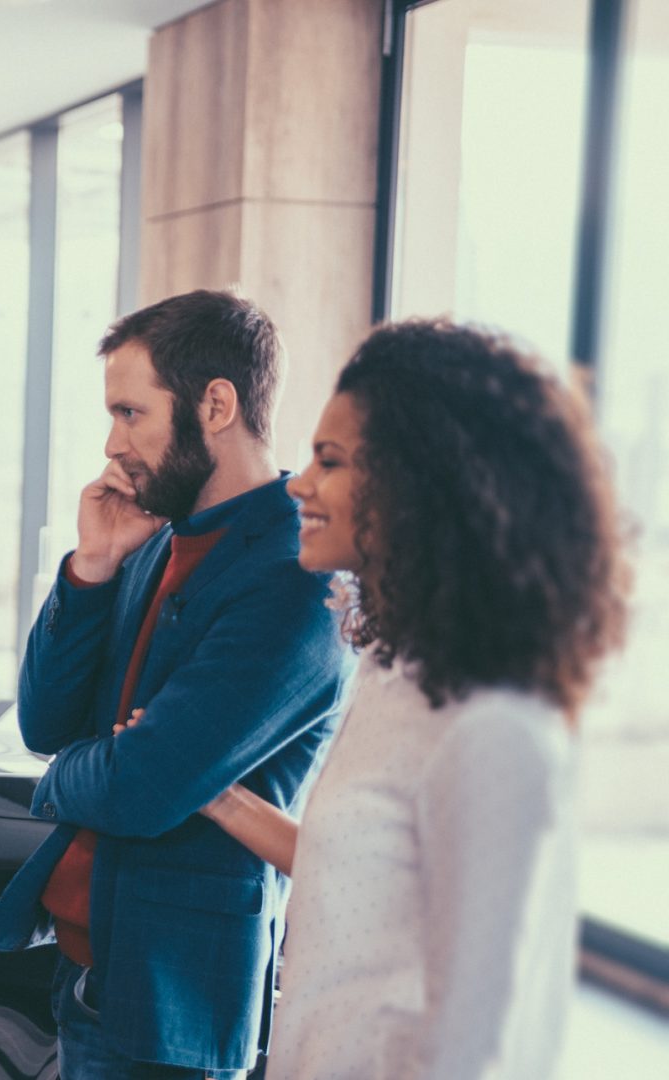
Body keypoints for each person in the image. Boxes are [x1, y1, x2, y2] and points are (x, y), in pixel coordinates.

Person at [170, 319, 630, 1079]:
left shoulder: (496, 730)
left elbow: (480, 1050)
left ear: (419, 484)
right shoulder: (394, 672)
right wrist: (224, 800)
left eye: (332, 461)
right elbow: (368, 875)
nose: (298, 483)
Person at [0, 290, 348, 1079]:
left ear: (215, 404)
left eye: (130, 413)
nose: (113, 445)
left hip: (175, 1004)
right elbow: (45, 721)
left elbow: (141, 788)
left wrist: (68, 777)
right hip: (91, 975)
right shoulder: (153, 539)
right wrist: (92, 569)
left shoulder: (295, 577)